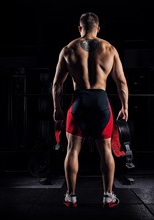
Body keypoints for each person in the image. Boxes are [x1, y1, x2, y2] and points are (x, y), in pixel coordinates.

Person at [52, 12, 128, 208]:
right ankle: (108, 196)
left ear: (79, 28)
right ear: (98, 28)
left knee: (72, 150)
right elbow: (121, 82)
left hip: (80, 102)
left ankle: (71, 196)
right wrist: (124, 107)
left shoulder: (68, 49)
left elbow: (57, 85)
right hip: (101, 102)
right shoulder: (110, 48)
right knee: (105, 151)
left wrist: (57, 108)